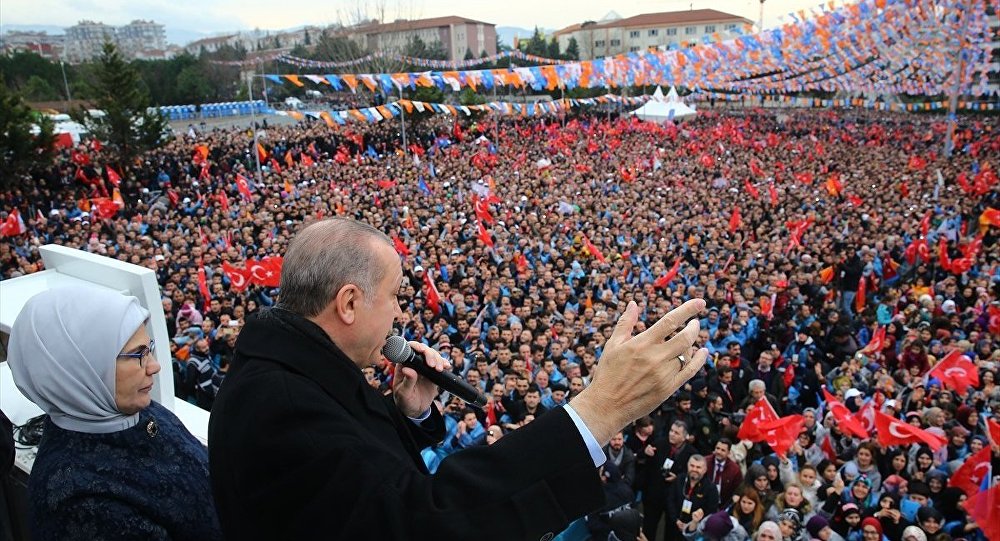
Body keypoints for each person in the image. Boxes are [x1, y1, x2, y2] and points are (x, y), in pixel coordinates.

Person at [208, 218, 709, 540]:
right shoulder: (280, 405)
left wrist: (410, 413)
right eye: (395, 297)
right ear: (349, 303)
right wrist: (601, 410)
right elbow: (425, 523)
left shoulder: (288, 371)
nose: (400, 313)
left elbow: (358, 478)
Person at [6, 286, 222, 541]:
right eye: (138, 355)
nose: (154, 365)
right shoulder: (78, 504)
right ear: (81, 369)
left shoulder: (129, 409)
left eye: (149, 348)